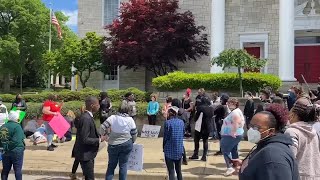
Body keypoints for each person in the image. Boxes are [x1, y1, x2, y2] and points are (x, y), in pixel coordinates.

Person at [236, 104, 299, 180]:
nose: (251, 130)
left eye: (256, 127)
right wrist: (248, 166)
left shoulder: (272, 156)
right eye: (250, 126)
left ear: (271, 131)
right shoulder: (264, 146)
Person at [100, 103, 137, 180]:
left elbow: (102, 127)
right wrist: (132, 141)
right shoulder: (130, 120)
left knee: (111, 166)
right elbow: (134, 133)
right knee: (123, 165)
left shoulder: (112, 118)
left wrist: (104, 135)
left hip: (113, 144)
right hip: (126, 143)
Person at [285, 102, 320, 180]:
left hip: (298, 175)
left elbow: (290, 156)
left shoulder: (292, 131)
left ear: (293, 115)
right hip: (315, 174)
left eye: (289, 113)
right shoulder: (313, 131)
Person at [73, 97, 103, 180]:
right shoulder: (86, 118)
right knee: (90, 177)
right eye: (97, 104)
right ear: (92, 105)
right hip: (85, 154)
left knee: (88, 177)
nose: (99, 106)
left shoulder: (88, 117)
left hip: (88, 154)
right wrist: (100, 140)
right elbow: (85, 139)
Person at [220, 98, 245, 176]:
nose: (228, 104)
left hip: (230, 135)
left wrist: (233, 132)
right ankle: (236, 167)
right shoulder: (237, 111)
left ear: (234, 103)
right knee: (234, 150)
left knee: (225, 150)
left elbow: (237, 121)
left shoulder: (235, 113)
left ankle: (230, 167)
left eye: (230, 103)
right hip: (236, 134)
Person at [0, 111, 25, 180]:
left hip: (5, 151)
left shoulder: (3, 126)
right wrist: (8, 146)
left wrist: (4, 147)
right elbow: (17, 140)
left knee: (5, 169)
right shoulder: (17, 126)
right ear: (16, 118)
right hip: (16, 150)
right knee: (17, 170)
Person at [189, 96, 214, 161]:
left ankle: (196, 154)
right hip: (208, 127)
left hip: (200, 127)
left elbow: (196, 118)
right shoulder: (211, 108)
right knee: (205, 141)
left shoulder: (200, 108)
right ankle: (204, 156)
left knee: (196, 140)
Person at [163, 106, 184, 180]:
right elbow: (182, 135)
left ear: (170, 113)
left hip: (169, 150)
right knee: (179, 171)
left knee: (171, 172)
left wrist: (164, 148)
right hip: (179, 149)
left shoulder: (167, 123)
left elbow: (165, 137)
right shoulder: (181, 122)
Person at [70, 106, 85, 180]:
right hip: (82, 141)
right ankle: (84, 175)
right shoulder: (84, 120)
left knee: (77, 159)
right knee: (83, 160)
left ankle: (73, 174)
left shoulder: (76, 120)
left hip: (78, 141)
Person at [171, 98, 188, 165]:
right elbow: (187, 121)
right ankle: (184, 159)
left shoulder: (173, 111)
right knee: (180, 143)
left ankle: (177, 159)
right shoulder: (184, 111)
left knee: (175, 144)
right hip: (182, 129)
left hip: (175, 129)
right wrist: (184, 128)